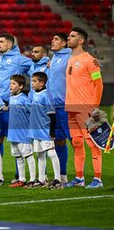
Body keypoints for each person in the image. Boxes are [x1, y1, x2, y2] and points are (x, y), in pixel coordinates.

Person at [63, 27, 104, 189]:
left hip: (86, 108)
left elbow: (98, 84)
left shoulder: (90, 60)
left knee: (93, 143)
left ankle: (98, 179)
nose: (68, 38)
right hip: (71, 107)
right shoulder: (70, 59)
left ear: (81, 41)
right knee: (77, 143)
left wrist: (95, 108)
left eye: (72, 36)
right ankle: (79, 178)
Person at [0, 33, 32, 183]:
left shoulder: (18, 59)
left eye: (1, 42)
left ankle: (19, 175)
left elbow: (34, 66)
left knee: (17, 139)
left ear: (9, 45)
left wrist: (46, 62)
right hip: (0, 104)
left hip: (14, 104)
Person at [27, 72, 62, 189]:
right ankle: (41, 179)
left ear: (42, 83)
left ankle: (58, 179)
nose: (32, 83)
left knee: (51, 153)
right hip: (35, 131)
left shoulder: (46, 95)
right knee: (40, 154)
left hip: (45, 130)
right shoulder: (33, 94)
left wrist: (51, 132)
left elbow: (52, 115)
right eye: (31, 81)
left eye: (34, 81)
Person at [48, 32, 73, 184]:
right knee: (58, 141)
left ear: (64, 43)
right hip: (53, 107)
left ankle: (80, 176)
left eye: (56, 39)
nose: (52, 41)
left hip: (66, 105)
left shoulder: (70, 57)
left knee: (74, 140)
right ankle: (62, 176)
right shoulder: (54, 59)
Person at [6, 75, 36, 187]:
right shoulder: (12, 98)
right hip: (13, 134)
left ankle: (33, 179)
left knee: (28, 156)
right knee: (18, 157)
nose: (11, 86)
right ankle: (22, 179)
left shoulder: (24, 99)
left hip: (23, 133)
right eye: (10, 83)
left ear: (21, 86)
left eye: (14, 84)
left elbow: (33, 113)